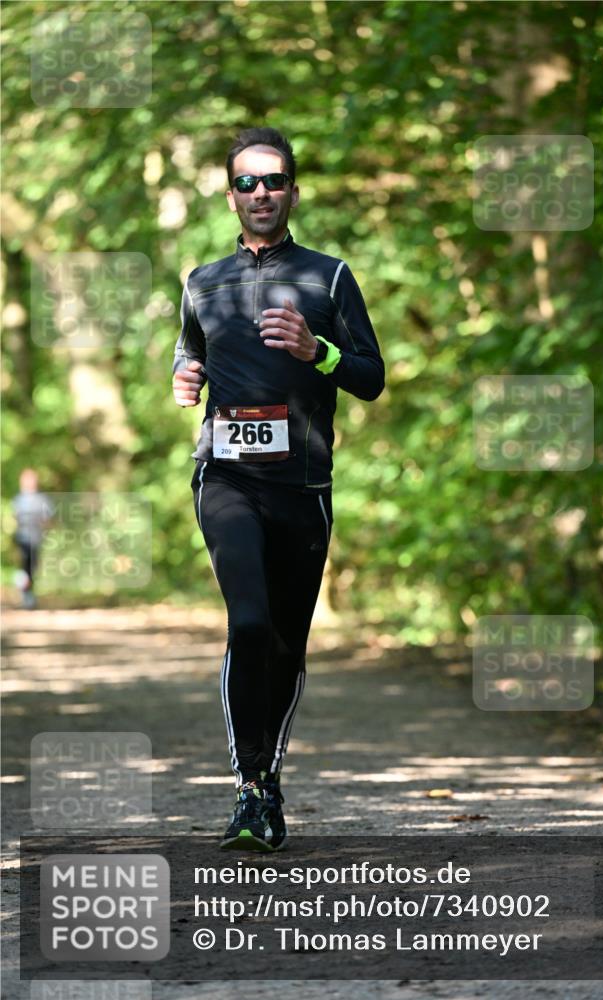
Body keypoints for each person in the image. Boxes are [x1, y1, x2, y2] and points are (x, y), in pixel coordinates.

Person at [172, 127, 384, 851]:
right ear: (229, 194)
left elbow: (370, 377)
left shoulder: (329, 277)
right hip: (226, 477)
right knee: (250, 623)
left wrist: (317, 351)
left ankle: (269, 781)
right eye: (246, 182)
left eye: (273, 181)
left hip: (303, 485)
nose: (260, 192)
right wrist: (184, 378)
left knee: (288, 641)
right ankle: (251, 787)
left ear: (293, 191)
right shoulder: (201, 282)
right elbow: (190, 354)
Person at [12, 468, 54, 610]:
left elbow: (48, 519)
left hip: (36, 538)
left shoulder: (42, 499)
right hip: (23, 538)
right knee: (26, 566)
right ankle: (27, 596)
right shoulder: (19, 499)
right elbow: (15, 517)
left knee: (33, 567)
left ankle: (27, 592)